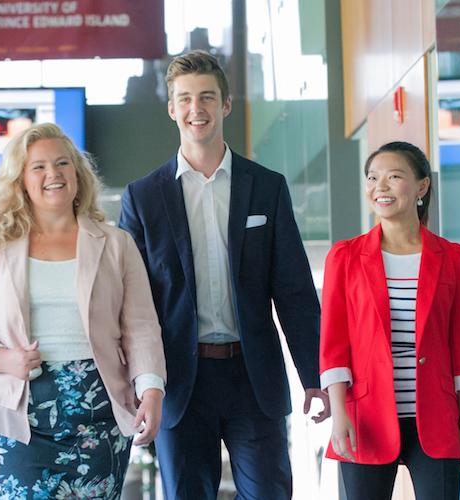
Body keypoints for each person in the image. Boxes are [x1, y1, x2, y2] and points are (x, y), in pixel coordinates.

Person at [117, 50, 330, 499]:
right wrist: (137, 384)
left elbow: (293, 290)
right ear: (172, 108)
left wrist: (314, 373)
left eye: (208, 97)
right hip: (179, 381)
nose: (198, 109)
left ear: (226, 104)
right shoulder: (142, 198)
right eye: (187, 99)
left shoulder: (266, 187)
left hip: (252, 377)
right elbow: (129, 305)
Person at [0, 123, 167, 499]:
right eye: (39, 167)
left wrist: (151, 392)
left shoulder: (116, 245)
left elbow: (141, 327)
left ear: (77, 174)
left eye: (63, 163)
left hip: (99, 411)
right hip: (12, 413)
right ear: (21, 180)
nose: (54, 174)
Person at [320, 141, 460, 500]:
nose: (380, 187)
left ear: (421, 186)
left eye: (394, 176)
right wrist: (339, 412)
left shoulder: (452, 258)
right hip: (366, 417)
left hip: (436, 419)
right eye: (373, 177)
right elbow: (333, 345)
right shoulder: (345, 257)